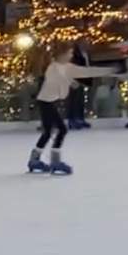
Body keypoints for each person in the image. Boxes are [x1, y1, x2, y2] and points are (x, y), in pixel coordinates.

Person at [28, 45, 115, 175]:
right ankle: (54, 162)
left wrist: (109, 70)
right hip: (45, 101)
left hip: (49, 101)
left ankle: (34, 160)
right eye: (69, 53)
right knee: (61, 129)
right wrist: (68, 80)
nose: (71, 56)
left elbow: (87, 71)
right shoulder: (53, 67)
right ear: (61, 55)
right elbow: (52, 79)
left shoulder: (68, 67)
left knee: (48, 132)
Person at [67, 41, 94, 130]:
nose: (86, 45)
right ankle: (73, 120)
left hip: (83, 79)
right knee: (74, 100)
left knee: (81, 100)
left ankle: (80, 118)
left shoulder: (87, 54)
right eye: (83, 44)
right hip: (75, 80)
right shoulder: (74, 55)